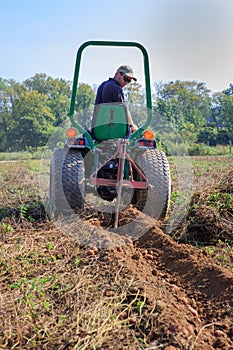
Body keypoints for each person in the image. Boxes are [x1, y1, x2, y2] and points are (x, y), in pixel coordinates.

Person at [94, 65, 138, 132]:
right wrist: (132, 126)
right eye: (125, 79)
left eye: (129, 81)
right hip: (113, 131)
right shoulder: (116, 88)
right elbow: (124, 110)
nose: (126, 83)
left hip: (98, 130)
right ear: (117, 74)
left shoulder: (102, 85)